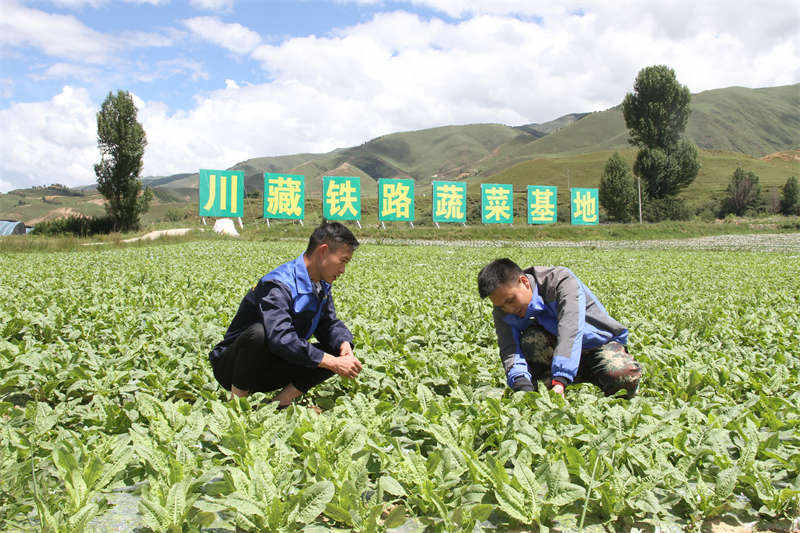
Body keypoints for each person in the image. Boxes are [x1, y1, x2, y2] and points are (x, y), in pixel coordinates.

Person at [208, 222, 363, 408]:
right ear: (323, 252)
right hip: (233, 367)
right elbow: (280, 337)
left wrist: (343, 344)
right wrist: (331, 363)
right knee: (259, 333)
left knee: (336, 352)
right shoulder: (278, 285)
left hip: (272, 366)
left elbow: (328, 324)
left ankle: (279, 404)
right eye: (343, 261)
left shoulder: (321, 285)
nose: (343, 270)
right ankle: (237, 406)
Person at [477, 258, 642, 397]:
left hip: (598, 345)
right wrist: (521, 386)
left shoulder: (560, 282)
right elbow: (510, 349)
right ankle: (570, 379)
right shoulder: (502, 309)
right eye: (501, 306)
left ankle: (573, 378)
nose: (509, 309)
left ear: (524, 282)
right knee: (531, 340)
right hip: (557, 352)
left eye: (511, 300)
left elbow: (570, 329)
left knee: (624, 376)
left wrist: (561, 379)